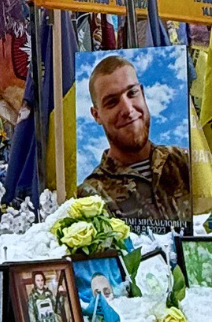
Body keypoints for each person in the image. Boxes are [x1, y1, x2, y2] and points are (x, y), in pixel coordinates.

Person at [76, 55, 191, 226]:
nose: (128, 109)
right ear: (96, 115)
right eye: (112, 102)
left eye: (132, 93)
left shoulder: (185, 162)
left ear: (143, 94)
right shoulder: (91, 196)